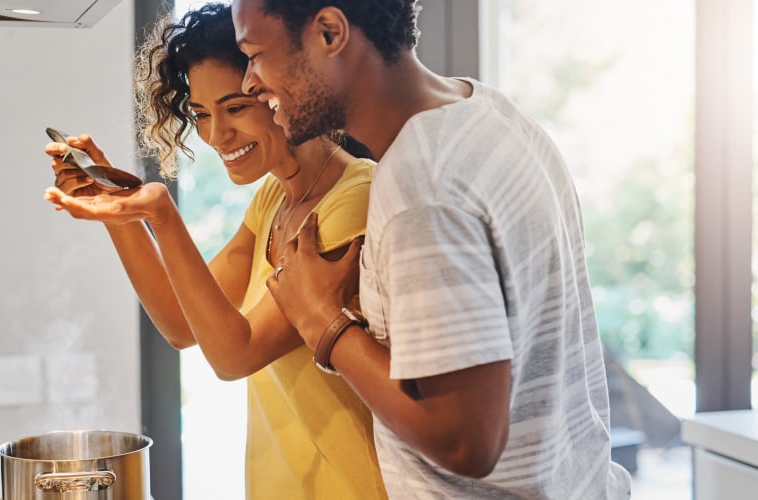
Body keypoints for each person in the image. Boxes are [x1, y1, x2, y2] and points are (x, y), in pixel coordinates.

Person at [230, 0, 633, 498]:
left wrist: (324, 324)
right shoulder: (489, 111)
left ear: (330, 33)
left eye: (255, 54)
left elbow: (468, 443)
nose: (249, 82)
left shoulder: (421, 188)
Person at [42, 4, 388, 499]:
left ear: (275, 89)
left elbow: (234, 355)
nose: (215, 135)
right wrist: (115, 207)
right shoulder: (276, 195)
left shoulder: (352, 200)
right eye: (201, 114)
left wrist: (162, 214)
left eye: (235, 107)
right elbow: (182, 324)